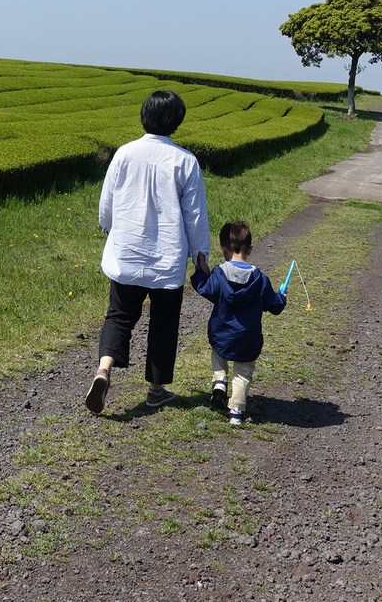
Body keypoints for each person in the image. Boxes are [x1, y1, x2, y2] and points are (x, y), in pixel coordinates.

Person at [85, 89, 209, 414]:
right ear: (176, 121)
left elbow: (107, 203)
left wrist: (109, 229)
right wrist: (201, 256)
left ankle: (104, 369)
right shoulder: (185, 161)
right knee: (164, 322)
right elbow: (195, 216)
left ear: (144, 116)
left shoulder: (124, 153)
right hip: (166, 258)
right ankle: (156, 390)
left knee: (119, 315)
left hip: (127, 251)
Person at [190, 220, 286, 426]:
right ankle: (235, 412)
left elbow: (206, 289)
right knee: (242, 373)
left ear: (223, 248)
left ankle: (219, 382)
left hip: (221, 334)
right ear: (250, 249)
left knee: (218, 353)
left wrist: (201, 273)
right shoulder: (260, 279)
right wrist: (282, 296)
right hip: (247, 338)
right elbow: (274, 306)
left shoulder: (219, 273)